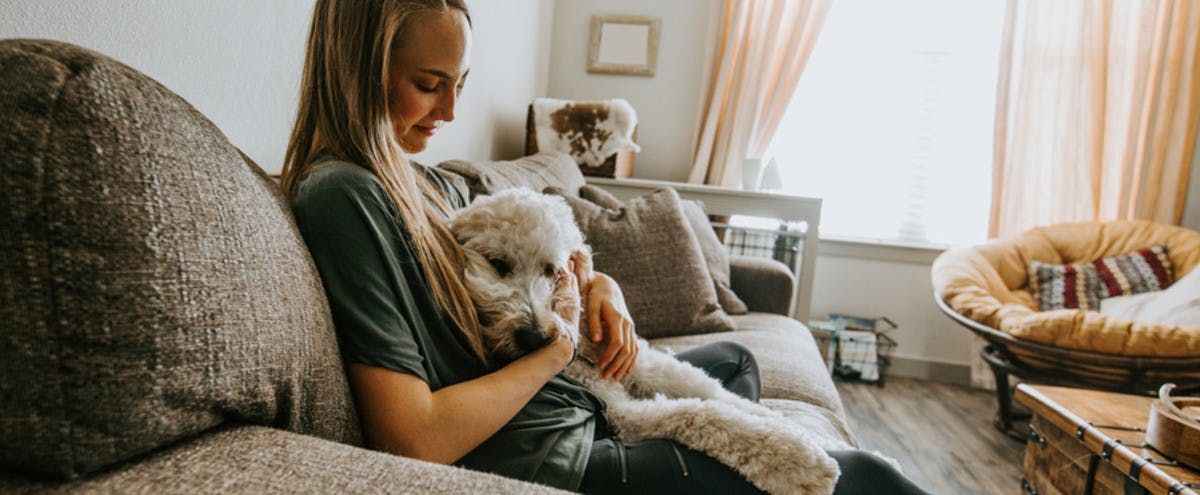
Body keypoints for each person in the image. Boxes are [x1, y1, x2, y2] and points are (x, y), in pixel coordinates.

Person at [279, 1, 929, 493]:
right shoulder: (342, 195)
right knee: (866, 475)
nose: (450, 109)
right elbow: (411, 437)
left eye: (461, 83)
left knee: (733, 358)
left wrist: (599, 288)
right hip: (542, 452)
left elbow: (541, 258)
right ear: (360, 68)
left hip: (570, 401)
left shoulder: (419, 178)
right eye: (429, 83)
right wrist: (558, 344)